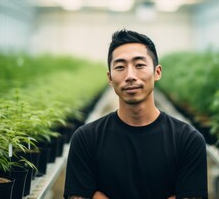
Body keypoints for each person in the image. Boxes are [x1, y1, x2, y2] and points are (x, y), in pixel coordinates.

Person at [64, 29, 208, 199]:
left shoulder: (188, 140)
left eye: (139, 65)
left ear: (157, 72)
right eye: (120, 67)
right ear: (110, 78)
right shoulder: (86, 138)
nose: (130, 76)